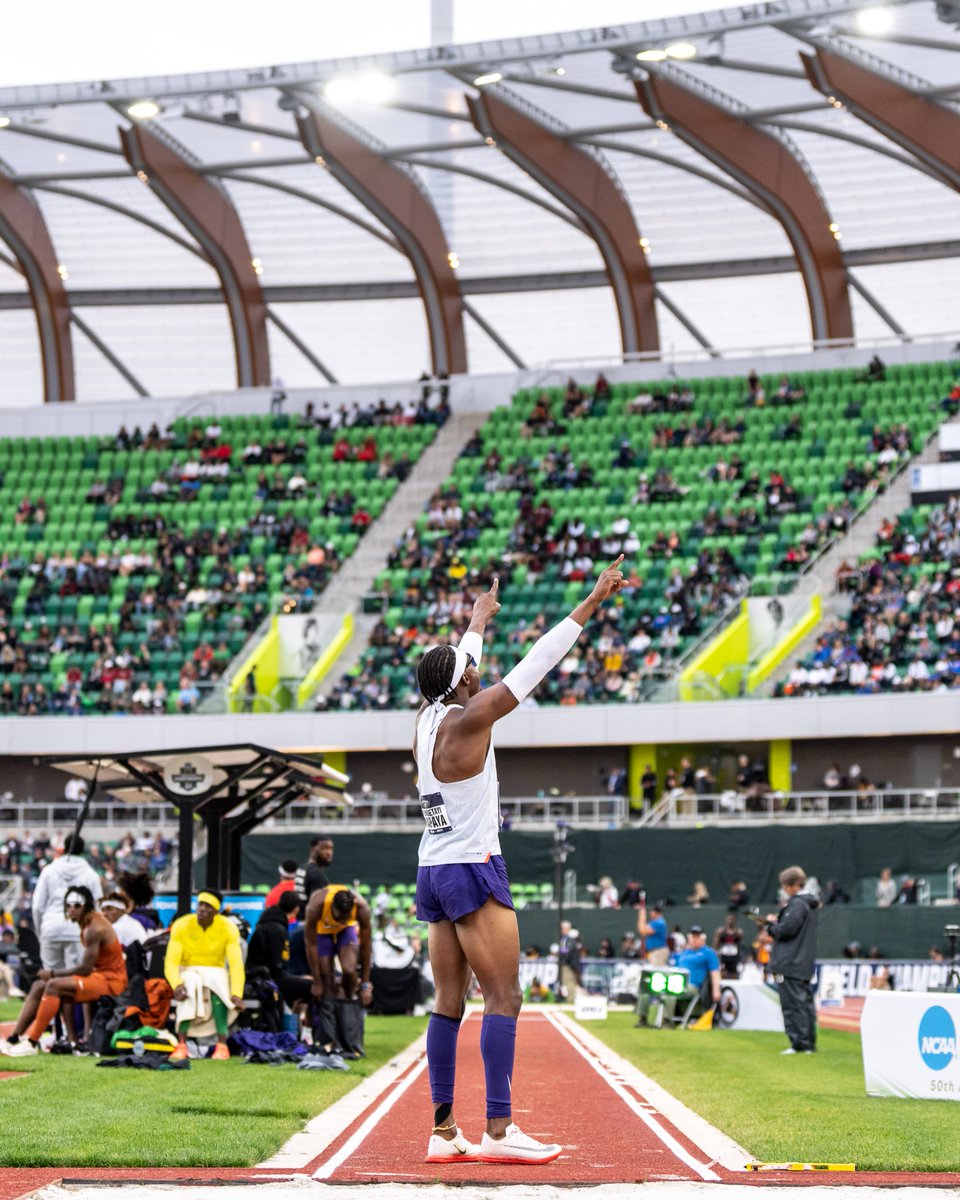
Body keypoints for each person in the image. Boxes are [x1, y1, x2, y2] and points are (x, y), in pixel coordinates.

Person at [413, 558, 624, 1166]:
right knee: (505, 998)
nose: (479, 673)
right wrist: (590, 601)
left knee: (447, 1003)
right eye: (473, 670)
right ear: (463, 684)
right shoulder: (472, 716)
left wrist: (477, 619)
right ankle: (499, 1133)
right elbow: (535, 666)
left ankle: (443, 1130)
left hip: (432, 868)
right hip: (472, 866)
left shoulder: (426, 717)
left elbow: (456, 666)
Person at [1, 886, 126, 1056]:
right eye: (68, 905)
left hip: (111, 980)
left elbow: (85, 969)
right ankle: (14, 1039)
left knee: (53, 985)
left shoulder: (94, 929)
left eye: (76, 905)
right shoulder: (88, 924)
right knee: (39, 985)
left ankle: (32, 1042)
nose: (71, 910)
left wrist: (52, 973)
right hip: (99, 976)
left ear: (86, 905)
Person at [164, 889, 245, 1061]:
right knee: (190, 983)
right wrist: (176, 984)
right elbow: (171, 961)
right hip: (188, 971)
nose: (202, 909)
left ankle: (222, 1045)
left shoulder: (228, 927)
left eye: (207, 906)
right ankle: (181, 1044)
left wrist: (237, 993)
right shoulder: (181, 924)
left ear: (216, 911)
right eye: (200, 904)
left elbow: (236, 964)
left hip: (215, 973)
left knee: (218, 981)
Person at [304, 883, 373, 1056]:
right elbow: (311, 945)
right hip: (323, 931)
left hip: (345, 933)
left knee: (349, 970)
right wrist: (316, 981)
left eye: (346, 917)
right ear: (332, 908)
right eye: (340, 917)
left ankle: (347, 1009)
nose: (342, 920)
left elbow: (366, 947)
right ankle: (328, 1038)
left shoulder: (361, 908)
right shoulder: (316, 905)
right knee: (326, 979)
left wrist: (365, 984)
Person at [766, 865, 820, 1055]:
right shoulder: (810, 904)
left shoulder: (797, 904)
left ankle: (799, 1044)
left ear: (793, 886)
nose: (784, 890)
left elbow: (785, 931)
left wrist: (770, 925)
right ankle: (808, 1043)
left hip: (790, 962)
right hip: (803, 962)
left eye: (785, 886)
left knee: (792, 1005)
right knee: (804, 1004)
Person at [31, 834, 103, 975]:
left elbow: (37, 907)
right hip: (78, 930)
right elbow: (97, 907)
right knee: (76, 979)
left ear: (64, 848)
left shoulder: (49, 871)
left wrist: (41, 931)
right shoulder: (91, 875)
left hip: (51, 927)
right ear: (83, 850)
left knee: (51, 978)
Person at [637, 925, 721, 1027]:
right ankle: (642, 1019)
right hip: (675, 982)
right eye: (692, 937)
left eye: (697, 937)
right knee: (646, 988)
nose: (694, 940)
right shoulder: (683, 953)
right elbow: (674, 969)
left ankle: (667, 1021)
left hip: (691, 986)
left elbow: (715, 972)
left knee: (672, 989)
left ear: (703, 939)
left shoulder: (708, 953)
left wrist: (716, 990)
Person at [247, 891, 312, 1009]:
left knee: (305, 983)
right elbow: (276, 968)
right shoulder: (276, 929)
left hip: (265, 975)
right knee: (313, 987)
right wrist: (299, 978)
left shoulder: (271, 924)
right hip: (265, 979)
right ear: (296, 909)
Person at [295, 836, 334, 902]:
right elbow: (317, 905)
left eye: (331, 849)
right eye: (324, 848)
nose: (329, 853)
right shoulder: (316, 874)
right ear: (312, 849)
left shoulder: (302, 868)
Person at [713, 911, 744, 979]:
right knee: (723, 973)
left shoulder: (738, 932)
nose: (730, 921)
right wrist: (716, 955)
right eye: (729, 919)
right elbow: (715, 945)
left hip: (734, 957)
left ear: (735, 920)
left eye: (732, 919)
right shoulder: (721, 931)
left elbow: (741, 946)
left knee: (734, 974)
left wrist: (741, 959)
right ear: (726, 920)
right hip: (724, 957)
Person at [638, 901, 669, 966]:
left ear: (657, 913)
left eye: (653, 911)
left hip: (658, 951)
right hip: (653, 951)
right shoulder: (653, 922)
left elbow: (642, 930)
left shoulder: (659, 922)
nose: (650, 913)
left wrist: (642, 917)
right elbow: (643, 932)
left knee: (656, 972)